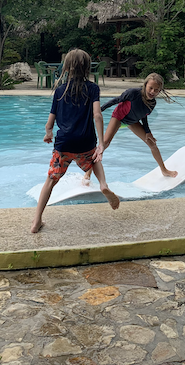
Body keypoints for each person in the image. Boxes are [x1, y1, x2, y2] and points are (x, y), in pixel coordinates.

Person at [31, 48, 120, 233]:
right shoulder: (93, 88)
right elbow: (97, 115)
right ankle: (103, 184)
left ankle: (36, 221)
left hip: (64, 144)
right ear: (87, 68)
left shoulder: (59, 91)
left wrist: (48, 134)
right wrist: (101, 144)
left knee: (50, 181)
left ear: (66, 68)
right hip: (85, 142)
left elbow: (50, 123)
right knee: (95, 158)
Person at [82, 72, 177, 183]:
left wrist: (147, 132)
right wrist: (99, 110)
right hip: (119, 117)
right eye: (151, 88)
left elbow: (144, 115)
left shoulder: (152, 103)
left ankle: (164, 170)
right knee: (105, 143)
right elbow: (115, 101)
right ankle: (87, 174)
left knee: (152, 144)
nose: (152, 92)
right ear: (145, 84)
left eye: (156, 90)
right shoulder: (133, 93)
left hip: (132, 121)